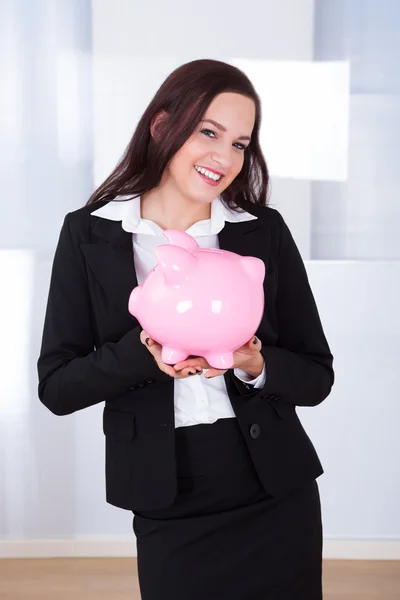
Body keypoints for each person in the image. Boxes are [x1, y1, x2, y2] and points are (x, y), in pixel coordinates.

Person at [37, 58, 334, 600]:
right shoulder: (89, 235)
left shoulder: (261, 233)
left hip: (272, 483)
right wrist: (141, 354)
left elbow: (316, 377)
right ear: (161, 126)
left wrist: (254, 363)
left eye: (241, 143)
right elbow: (56, 387)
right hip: (166, 489)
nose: (224, 158)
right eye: (208, 132)